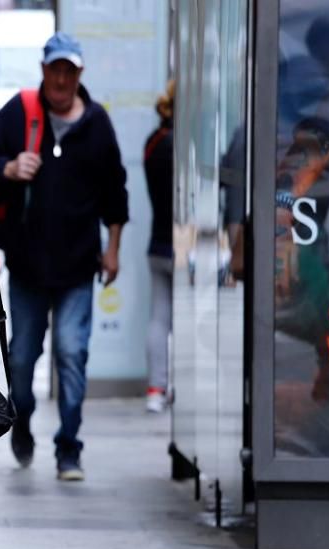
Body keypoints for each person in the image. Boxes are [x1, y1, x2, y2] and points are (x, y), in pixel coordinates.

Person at [0, 32, 128, 481]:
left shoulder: (97, 123)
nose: (61, 78)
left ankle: (68, 448)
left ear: (80, 75)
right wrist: (9, 167)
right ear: (43, 70)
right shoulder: (21, 111)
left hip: (80, 264)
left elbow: (115, 191)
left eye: (70, 70)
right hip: (28, 263)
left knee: (71, 352)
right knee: (21, 357)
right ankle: (22, 422)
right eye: (55, 68)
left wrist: (113, 246)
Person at [143, 81, 174, 414]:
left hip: (157, 241)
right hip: (183, 241)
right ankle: (169, 385)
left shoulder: (152, 142)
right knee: (177, 318)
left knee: (159, 317)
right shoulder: (179, 145)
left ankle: (156, 387)